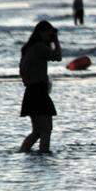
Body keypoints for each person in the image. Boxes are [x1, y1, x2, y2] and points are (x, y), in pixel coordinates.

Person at [19, 21, 62, 153]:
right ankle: (44, 154)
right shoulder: (39, 47)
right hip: (38, 91)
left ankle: (23, 152)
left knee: (37, 131)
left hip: (31, 91)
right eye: (48, 33)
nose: (50, 36)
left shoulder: (30, 47)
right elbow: (58, 56)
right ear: (41, 33)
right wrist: (56, 40)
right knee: (46, 130)